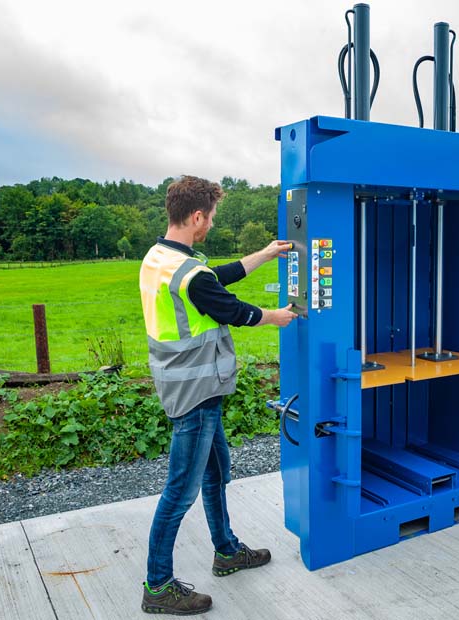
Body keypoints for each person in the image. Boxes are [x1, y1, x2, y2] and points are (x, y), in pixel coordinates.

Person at [138, 175, 295, 615]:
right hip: (196, 392)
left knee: (215, 474)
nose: (210, 226)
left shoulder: (160, 258)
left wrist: (263, 256)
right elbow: (229, 308)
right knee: (180, 491)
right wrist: (276, 316)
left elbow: (214, 278)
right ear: (196, 216)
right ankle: (158, 586)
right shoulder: (188, 272)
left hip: (187, 385)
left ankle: (226, 551)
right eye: (210, 219)